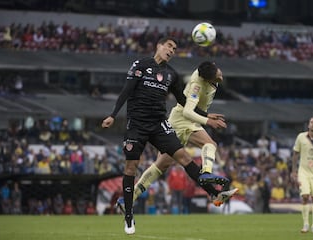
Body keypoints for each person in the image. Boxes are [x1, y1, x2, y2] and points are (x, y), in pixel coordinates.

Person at [101, 37, 231, 235]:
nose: (171, 50)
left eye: (174, 48)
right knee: (132, 167)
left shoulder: (172, 74)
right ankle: (128, 214)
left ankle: (214, 193)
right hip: (137, 124)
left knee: (182, 158)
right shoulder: (141, 65)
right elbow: (126, 90)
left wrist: (206, 115)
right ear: (158, 46)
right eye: (168, 46)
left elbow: (183, 100)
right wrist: (112, 115)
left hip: (159, 124)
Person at [130, 61, 238, 207]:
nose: (220, 74)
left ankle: (129, 198)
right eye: (216, 76)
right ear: (208, 80)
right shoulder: (197, 85)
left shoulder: (208, 72)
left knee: (161, 165)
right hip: (182, 120)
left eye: (218, 71)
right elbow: (187, 111)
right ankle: (206, 173)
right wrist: (208, 121)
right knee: (210, 144)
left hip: (188, 120)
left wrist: (206, 114)